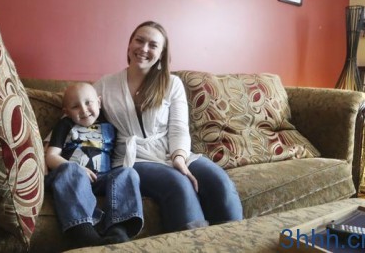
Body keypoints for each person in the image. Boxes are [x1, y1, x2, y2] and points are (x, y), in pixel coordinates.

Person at [94, 21, 243, 233]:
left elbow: (179, 129)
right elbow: (75, 113)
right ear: (129, 45)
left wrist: (180, 159)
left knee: (219, 182)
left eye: (153, 45)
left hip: (170, 153)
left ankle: (235, 241)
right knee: (177, 183)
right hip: (132, 159)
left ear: (162, 53)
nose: (144, 49)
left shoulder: (172, 84)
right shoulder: (104, 84)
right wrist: (52, 150)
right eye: (139, 40)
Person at [44, 82, 144, 248]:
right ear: (66, 112)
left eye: (88, 102)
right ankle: (84, 233)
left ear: (99, 102)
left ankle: (118, 228)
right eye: (75, 106)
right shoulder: (65, 125)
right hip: (71, 179)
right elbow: (51, 156)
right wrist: (78, 169)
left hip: (101, 177)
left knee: (128, 173)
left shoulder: (111, 125)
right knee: (70, 170)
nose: (83, 110)